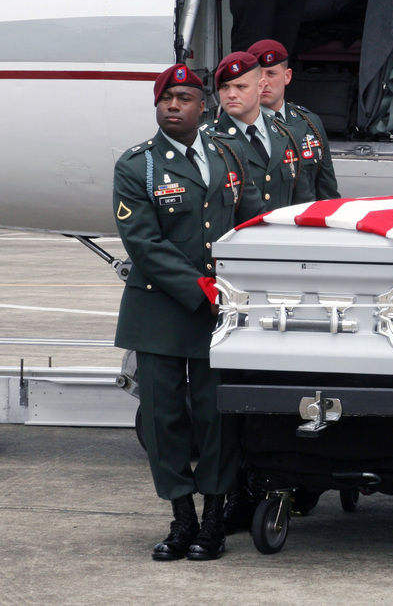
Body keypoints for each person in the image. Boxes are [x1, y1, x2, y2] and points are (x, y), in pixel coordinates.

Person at [113, 63, 264, 562]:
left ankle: (215, 520)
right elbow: (144, 243)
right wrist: (197, 285)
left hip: (219, 310)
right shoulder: (137, 166)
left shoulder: (228, 154)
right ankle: (182, 518)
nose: (173, 106)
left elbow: (251, 222)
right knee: (163, 418)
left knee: (215, 416)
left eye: (183, 98)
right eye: (165, 99)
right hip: (160, 310)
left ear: (205, 107)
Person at [212, 51, 315, 210]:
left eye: (241, 87)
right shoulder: (208, 140)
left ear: (260, 87)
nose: (231, 95)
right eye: (225, 87)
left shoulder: (286, 134)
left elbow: (302, 204)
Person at [247, 38, 341, 200]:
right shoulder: (234, 128)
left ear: (287, 76)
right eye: (257, 75)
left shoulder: (310, 124)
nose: (263, 82)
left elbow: (327, 194)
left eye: (271, 74)